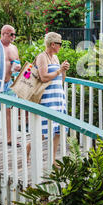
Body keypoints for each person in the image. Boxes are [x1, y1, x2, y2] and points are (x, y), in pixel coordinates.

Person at [27, 32, 70, 167]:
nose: (60, 47)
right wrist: (58, 71)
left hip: (58, 97)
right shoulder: (42, 57)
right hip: (47, 99)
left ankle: (51, 160)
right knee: (42, 131)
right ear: (53, 44)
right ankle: (27, 150)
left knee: (58, 130)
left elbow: (61, 80)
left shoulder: (56, 58)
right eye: (60, 44)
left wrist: (63, 71)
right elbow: (44, 77)